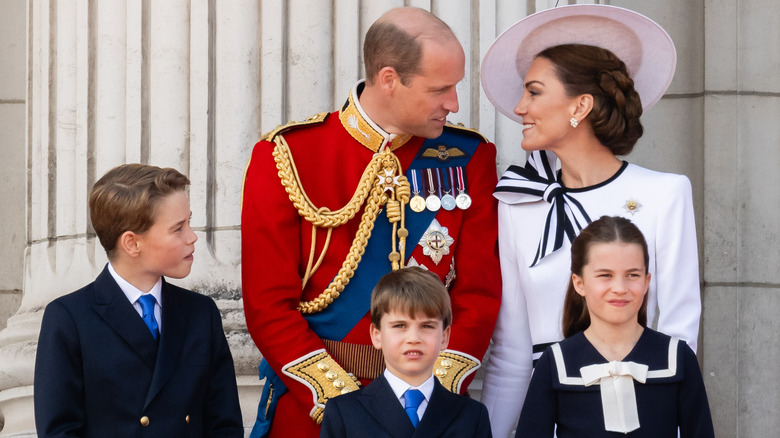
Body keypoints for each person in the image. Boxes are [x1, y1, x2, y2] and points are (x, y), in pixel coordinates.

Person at [241, 6, 501, 438]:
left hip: (426, 408)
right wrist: (342, 403)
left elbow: (478, 294)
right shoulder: (287, 156)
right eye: (441, 89)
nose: (454, 104)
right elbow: (268, 306)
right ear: (388, 79)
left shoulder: (469, 157)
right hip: (317, 408)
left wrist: (426, 394)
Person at [478, 4, 702, 436]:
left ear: (580, 104)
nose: (520, 106)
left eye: (534, 92)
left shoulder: (665, 194)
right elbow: (510, 353)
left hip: (641, 414)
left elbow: (679, 338)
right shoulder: (516, 203)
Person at [34, 164, 243, 437]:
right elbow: (59, 431)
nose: (192, 237)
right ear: (132, 243)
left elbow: (224, 425)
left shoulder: (201, 313)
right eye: (178, 228)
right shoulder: (69, 318)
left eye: (188, 222)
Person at [515, 216, 714, 437]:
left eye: (632, 275)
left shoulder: (677, 357)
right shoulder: (555, 362)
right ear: (579, 283)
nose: (620, 287)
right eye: (605, 275)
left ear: (647, 282)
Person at [319, 267, 492, 437]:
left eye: (427, 326)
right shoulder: (344, 413)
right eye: (400, 326)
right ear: (377, 335)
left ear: (444, 337)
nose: (413, 338)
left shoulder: (472, 416)